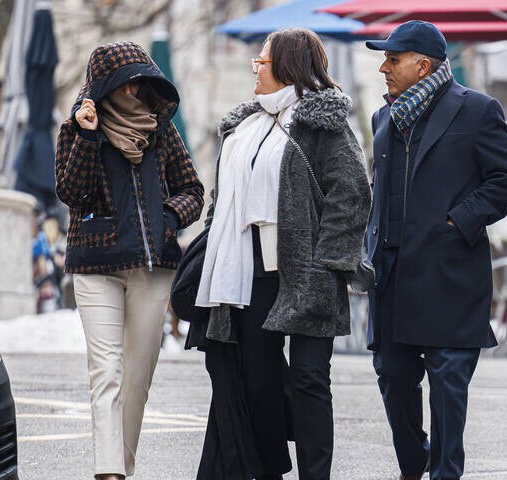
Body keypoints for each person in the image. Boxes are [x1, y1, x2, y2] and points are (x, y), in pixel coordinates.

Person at [188, 28, 371, 480]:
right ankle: (269, 470)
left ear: (287, 66)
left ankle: (315, 474)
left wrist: (325, 263)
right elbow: (221, 201)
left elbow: (352, 194)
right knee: (259, 382)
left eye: (262, 60)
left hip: (308, 271)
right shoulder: (242, 128)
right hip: (249, 272)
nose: (255, 66)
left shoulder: (322, 124)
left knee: (309, 381)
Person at [364, 21, 507, 480]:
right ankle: (415, 465)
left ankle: (446, 472)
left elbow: (506, 181)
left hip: (449, 273)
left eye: (392, 60)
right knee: (393, 379)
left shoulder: (477, 109)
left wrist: (457, 221)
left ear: (422, 65)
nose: (384, 68)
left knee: (448, 388)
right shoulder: (382, 118)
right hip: (391, 276)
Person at [55, 42, 204, 480]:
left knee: (137, 377)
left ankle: (123, 466)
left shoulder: (161, 129)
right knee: (107, 372)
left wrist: (167, 218)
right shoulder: (78, 129)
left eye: (142, 80)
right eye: (126, 81)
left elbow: (193, 190)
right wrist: (86, 135)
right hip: (94, 266)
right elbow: (72, 193)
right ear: (104, 85)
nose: (135, 89)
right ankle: (109, 474)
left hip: (152, 268)